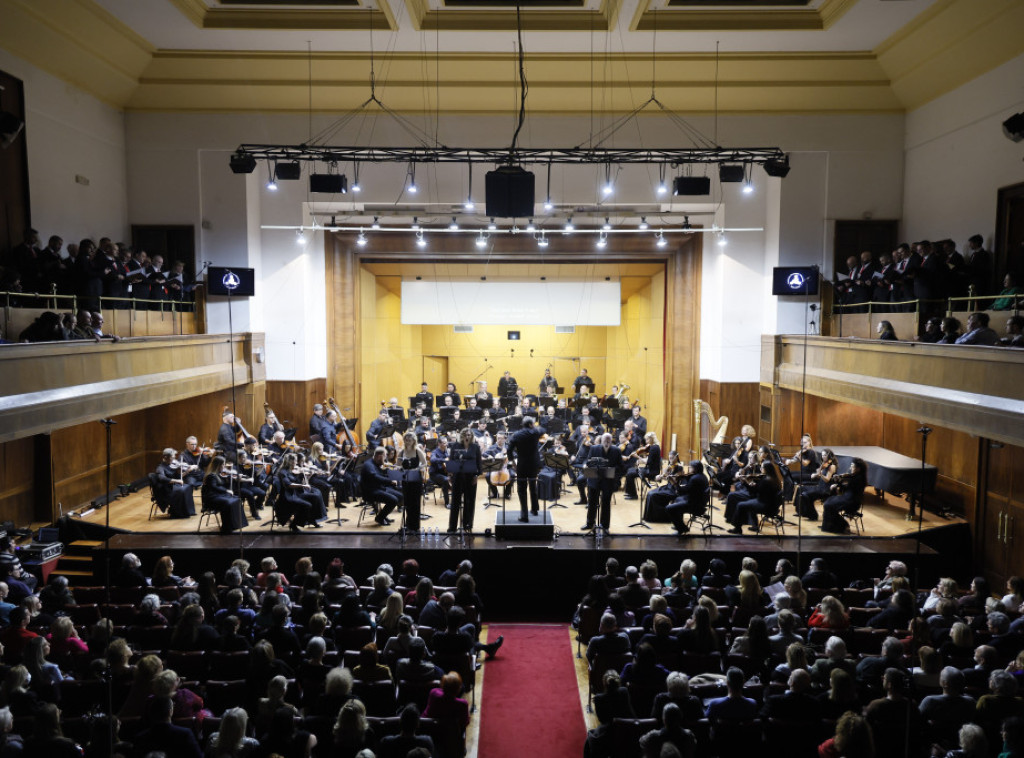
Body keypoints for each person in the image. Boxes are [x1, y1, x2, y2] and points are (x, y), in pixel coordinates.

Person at [423, 671, 471, 758]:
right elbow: (465, 723)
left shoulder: (434, 693)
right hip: (451, 740)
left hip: (431, 733)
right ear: (458, 689)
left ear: (442, 685)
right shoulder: (462, 704)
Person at [583, 433, 624, 532]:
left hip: (608, 480)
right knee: (592, 502)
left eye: (608, 441)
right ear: (601, 441)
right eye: (605, 441)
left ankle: (605, 526)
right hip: (594, 479)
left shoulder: (616, 450)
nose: (606, 443)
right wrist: (588, 465)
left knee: (606, 504)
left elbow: (621, 467)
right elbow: (588, 462)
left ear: (611, 441)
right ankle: (590, 523)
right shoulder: (594, 448)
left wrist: (611, 469)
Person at [202, 456, 249, 534]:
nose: (224, 466)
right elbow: (214, 487)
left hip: (219, 495)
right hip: (212, 498)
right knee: (227, 503)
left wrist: (231, 477)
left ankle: (236, 524)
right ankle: (226, 528)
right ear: (218, 465)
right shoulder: (211, 476)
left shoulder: (218, 474)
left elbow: (222, 484)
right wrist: (226, 490)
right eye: (223, 464)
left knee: (237, 499)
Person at [448, 428, 482, 533]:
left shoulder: (475, 447)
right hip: (457, 477)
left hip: (471, 478)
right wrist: (450, 475)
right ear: (462, 436)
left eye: (469, 435)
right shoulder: (455, 446)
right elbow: (451, 460)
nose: (467, 437)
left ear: (472, 436)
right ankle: (452, 527)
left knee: (469, 501)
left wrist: (476, 476)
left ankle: (468, 525)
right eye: (465, 435)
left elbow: (479, 463)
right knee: (455, 502)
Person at [508, 416, 542, 521]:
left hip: (522, 464)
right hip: (534, 464)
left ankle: (524, 515)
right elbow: (542, 429)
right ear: (531, 424)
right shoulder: (536, 432)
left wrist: (512, 462)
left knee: (522, 489)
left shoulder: (516, 435)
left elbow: (509, 450)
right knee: (533, 485)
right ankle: (535, 509)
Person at [821, 457, 867, 533]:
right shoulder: (856, 476)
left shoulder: (859, 479)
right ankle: (829, 525)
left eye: (853, 466)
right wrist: (839, 482)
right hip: (847, 498)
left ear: (858, 469)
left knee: (829, 505)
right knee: (828, 502)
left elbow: (848, 487)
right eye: (851, 465)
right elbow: (848, 487)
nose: (851, 468)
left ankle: (843, 525)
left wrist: (838, 483)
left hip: (852, 502)